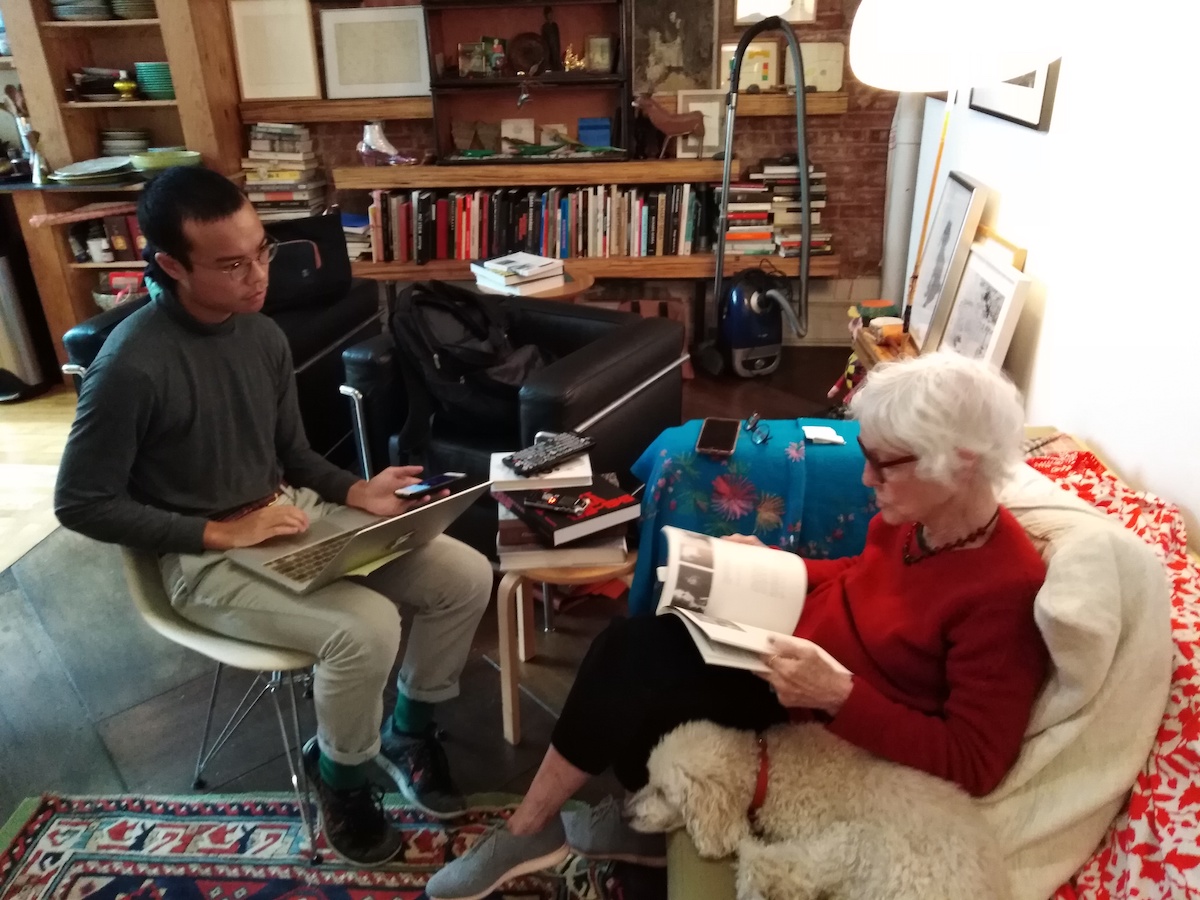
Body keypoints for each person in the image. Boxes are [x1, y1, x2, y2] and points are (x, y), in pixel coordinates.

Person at [425, 352, 1049, 900]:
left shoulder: (1003, 587)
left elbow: (976, 760)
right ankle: (633, 822)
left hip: (829, 718)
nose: (866, 481)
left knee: (635, 662)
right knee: (648, 636)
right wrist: (777, 566)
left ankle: (530, 830)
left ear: (962, 464)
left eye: (883, 465)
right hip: (792, 652)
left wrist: (839, 696)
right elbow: (865, 573)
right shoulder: (918, 515)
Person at [54, 167, 494, 869]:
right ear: (170, 265)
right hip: (201, 559)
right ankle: (341, 777)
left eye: (262, 251)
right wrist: (219, 532)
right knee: (367, 628)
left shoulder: (259, 336)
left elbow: (291, 453)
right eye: (232, 265)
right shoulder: (130, 368)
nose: (258, 276)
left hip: (287, 517)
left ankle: (409, 731)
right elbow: (79, 502)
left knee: (466, 573)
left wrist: (357, 493)